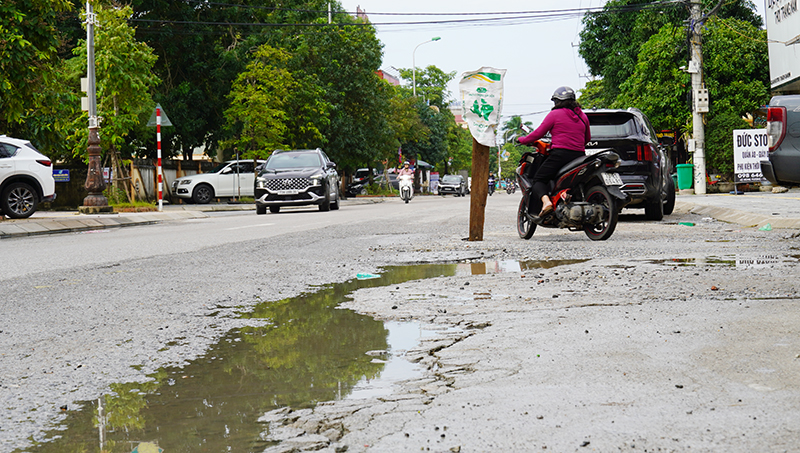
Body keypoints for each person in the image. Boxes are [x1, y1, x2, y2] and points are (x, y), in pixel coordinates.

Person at [517, 86, 591, 217]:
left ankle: (546, 202)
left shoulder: (554, 114)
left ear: (557, 101)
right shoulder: (583, 116)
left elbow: (538, 134)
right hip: (579, 156)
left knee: (539, 179)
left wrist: (522, 140)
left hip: (559, 155)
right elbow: (587, 138)